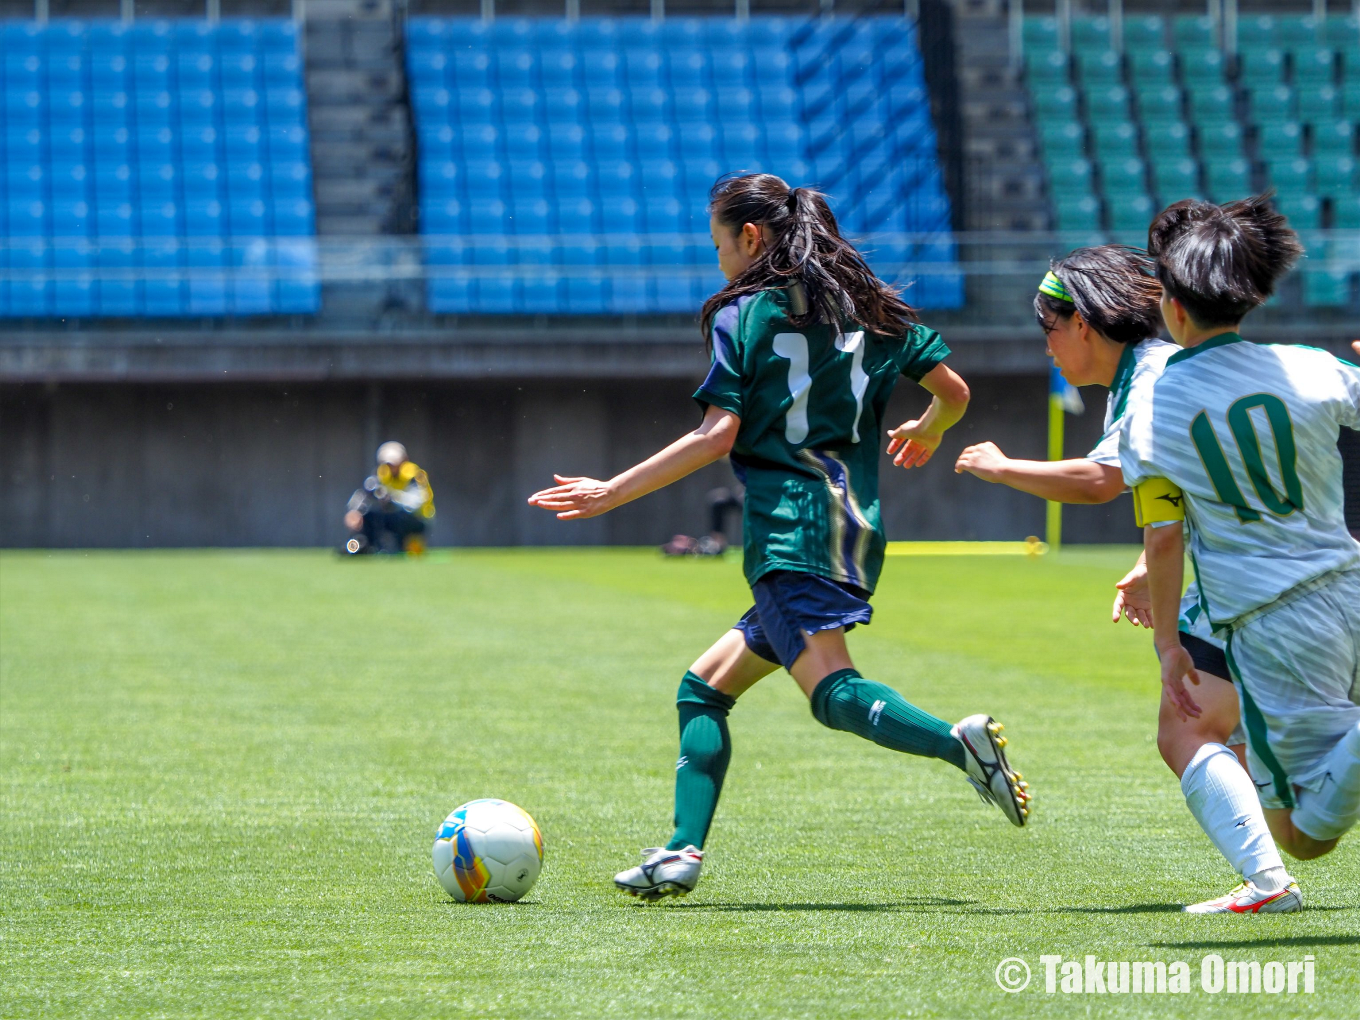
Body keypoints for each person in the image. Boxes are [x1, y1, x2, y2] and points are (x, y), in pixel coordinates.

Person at [527, 173, 1029, 902]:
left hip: (792, 533)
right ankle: (680, 851)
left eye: (719, 244)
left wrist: (613, 490)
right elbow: (955, 393)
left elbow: (716, 433)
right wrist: (928, 429)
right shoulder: (875, 313)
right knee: (704, 688)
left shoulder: (748, 314)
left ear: (752, 238)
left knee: (831, 691)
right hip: (851, 528)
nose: (719, 260)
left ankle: (959, 745)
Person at [953, 247, 1295, 913]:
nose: (1046, 347)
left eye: (1049, 329)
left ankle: (1269, 885)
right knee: (1250, 736)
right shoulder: (1166, 367)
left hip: (1260, 581)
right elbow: (1192, 488)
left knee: (1187, 732)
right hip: (1310, 566)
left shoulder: (1149, 383)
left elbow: (1100, 479)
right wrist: (1146, 564)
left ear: (1082, 323)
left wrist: (1003, 465)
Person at [1121, 195, 1360, 910]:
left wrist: (1169, 643)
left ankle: (1269, 886)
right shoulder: (1311, 366)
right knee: (1293, 811)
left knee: (1303, 835)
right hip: (1348, 585)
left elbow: (1163, 537)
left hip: (1273, 624)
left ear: (1174, 307)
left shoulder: (1153, 405)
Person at [343, 442, 435, 555]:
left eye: (394, 463)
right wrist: (354, 511)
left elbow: (416, 503)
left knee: (398, 518)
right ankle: (364, 547)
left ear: (404, 460)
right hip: (394, 516)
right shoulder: (381, 473)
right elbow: (364, 493)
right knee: (369, 516)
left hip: (417, 520)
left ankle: (397, 547)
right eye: (387, 463)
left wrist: (392, 498)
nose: (391, 467)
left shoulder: (414, 475)